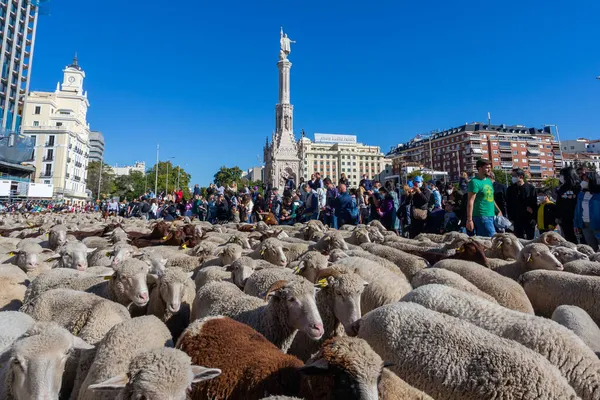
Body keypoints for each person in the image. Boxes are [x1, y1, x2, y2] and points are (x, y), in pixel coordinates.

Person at [465, 159, 502, 237]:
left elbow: (491, 198)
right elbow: (470, 202)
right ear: (479, 168)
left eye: (490, 167)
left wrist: (498, 210)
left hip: (491, 215)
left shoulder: (488, 181)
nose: (489, 170)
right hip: (481, 216)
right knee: (492, 239)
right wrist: (469, 220)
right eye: (487, 167)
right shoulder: (474, 182)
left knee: (485, 241)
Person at [506, 168, 538, 239]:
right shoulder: (510, 189)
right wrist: (510, 217)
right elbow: (508, 204)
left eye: (514, 176)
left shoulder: (531, 188)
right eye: (512, 176)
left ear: (521, 176)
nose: (512, 178)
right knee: (519, 239)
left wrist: (534, 217)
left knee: (530, 239)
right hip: (516, 219)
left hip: (528, 219)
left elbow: (534, 204)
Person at [574, 171, 600, 251]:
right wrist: (576, 224)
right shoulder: (581, 194)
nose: (583, 182)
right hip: (585, 225)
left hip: (598, 225)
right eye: (583, 179)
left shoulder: (598, 194)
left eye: (586, 180)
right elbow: (577, 210)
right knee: (592, 250)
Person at [556, 166, 581, 244]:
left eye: (562, 175)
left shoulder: (578, 187)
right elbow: (558, 203)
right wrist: (558, 216)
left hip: (577, 219)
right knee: (569, 240)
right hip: (565, 219)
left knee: (581, 241)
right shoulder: (561, 188)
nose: (561, 177)